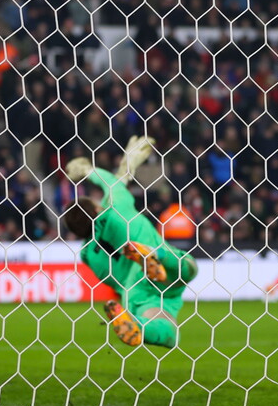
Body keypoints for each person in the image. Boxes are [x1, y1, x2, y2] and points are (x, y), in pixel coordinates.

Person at [62, 136, 198, 348]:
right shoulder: (117, 209)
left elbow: (110, 279)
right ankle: (153, 254)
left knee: (169, 332)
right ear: (97, 208)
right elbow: (113, 185)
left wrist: (126, 169)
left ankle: (138, 325)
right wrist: (89, 170)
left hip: (136, 289)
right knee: (189, 268)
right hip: (160, 263)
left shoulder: (87, 254)